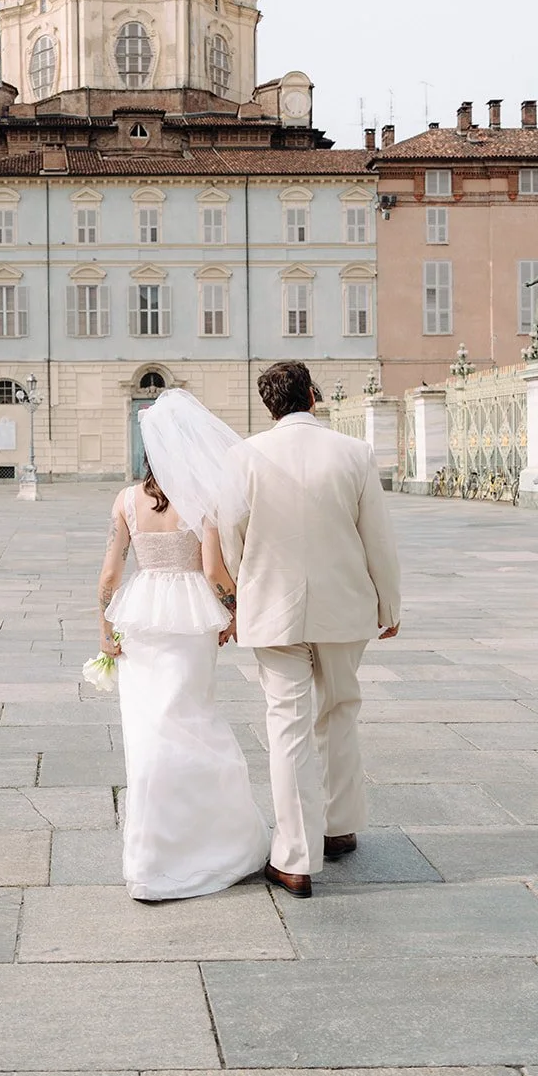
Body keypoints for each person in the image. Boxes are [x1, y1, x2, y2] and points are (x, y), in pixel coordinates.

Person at [219, 359, 401, 898]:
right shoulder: (354, 453)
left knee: (287, 724)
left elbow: (232, 533)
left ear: (269, 406)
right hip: (345, 604)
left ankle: (296, 857)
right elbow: (378, 538)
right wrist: (388, 603)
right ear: (314, 398)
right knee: (341, 707)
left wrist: (235, 594)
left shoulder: (243, 456)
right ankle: (340, 825)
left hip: (271, 606)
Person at [95, 395, 270, 902]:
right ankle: (214, 841)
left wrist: (104, 627)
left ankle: (150, 860)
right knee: (195, 719)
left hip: (142, 611)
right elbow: (215, 572)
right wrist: (233, 611)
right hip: (192, 615)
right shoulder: (204, 499)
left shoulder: (127, 501)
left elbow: (110, 573)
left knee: (148, 729)